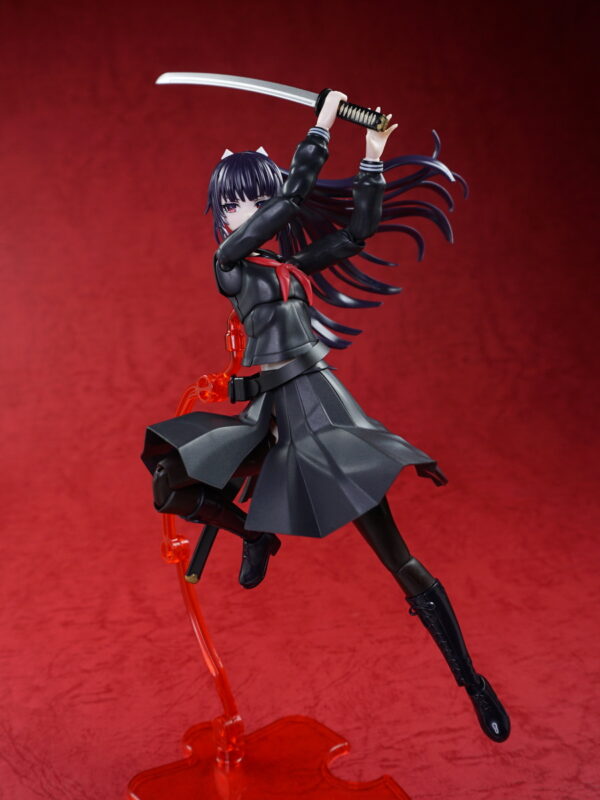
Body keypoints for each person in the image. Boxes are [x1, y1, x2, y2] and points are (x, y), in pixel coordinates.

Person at [142, 91, 510, 743]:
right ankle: (255, 536)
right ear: (222, 216)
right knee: (170, 478)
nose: (247, 211)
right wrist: (319, 126)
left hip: (321, 407)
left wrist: (371, 154)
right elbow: (287, 204)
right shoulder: (229, 265)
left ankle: (473, 682)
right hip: (268, 415)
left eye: (255, 198)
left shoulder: (288, 268)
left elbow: (356, 234)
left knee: (398, 557)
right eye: (235, 203)